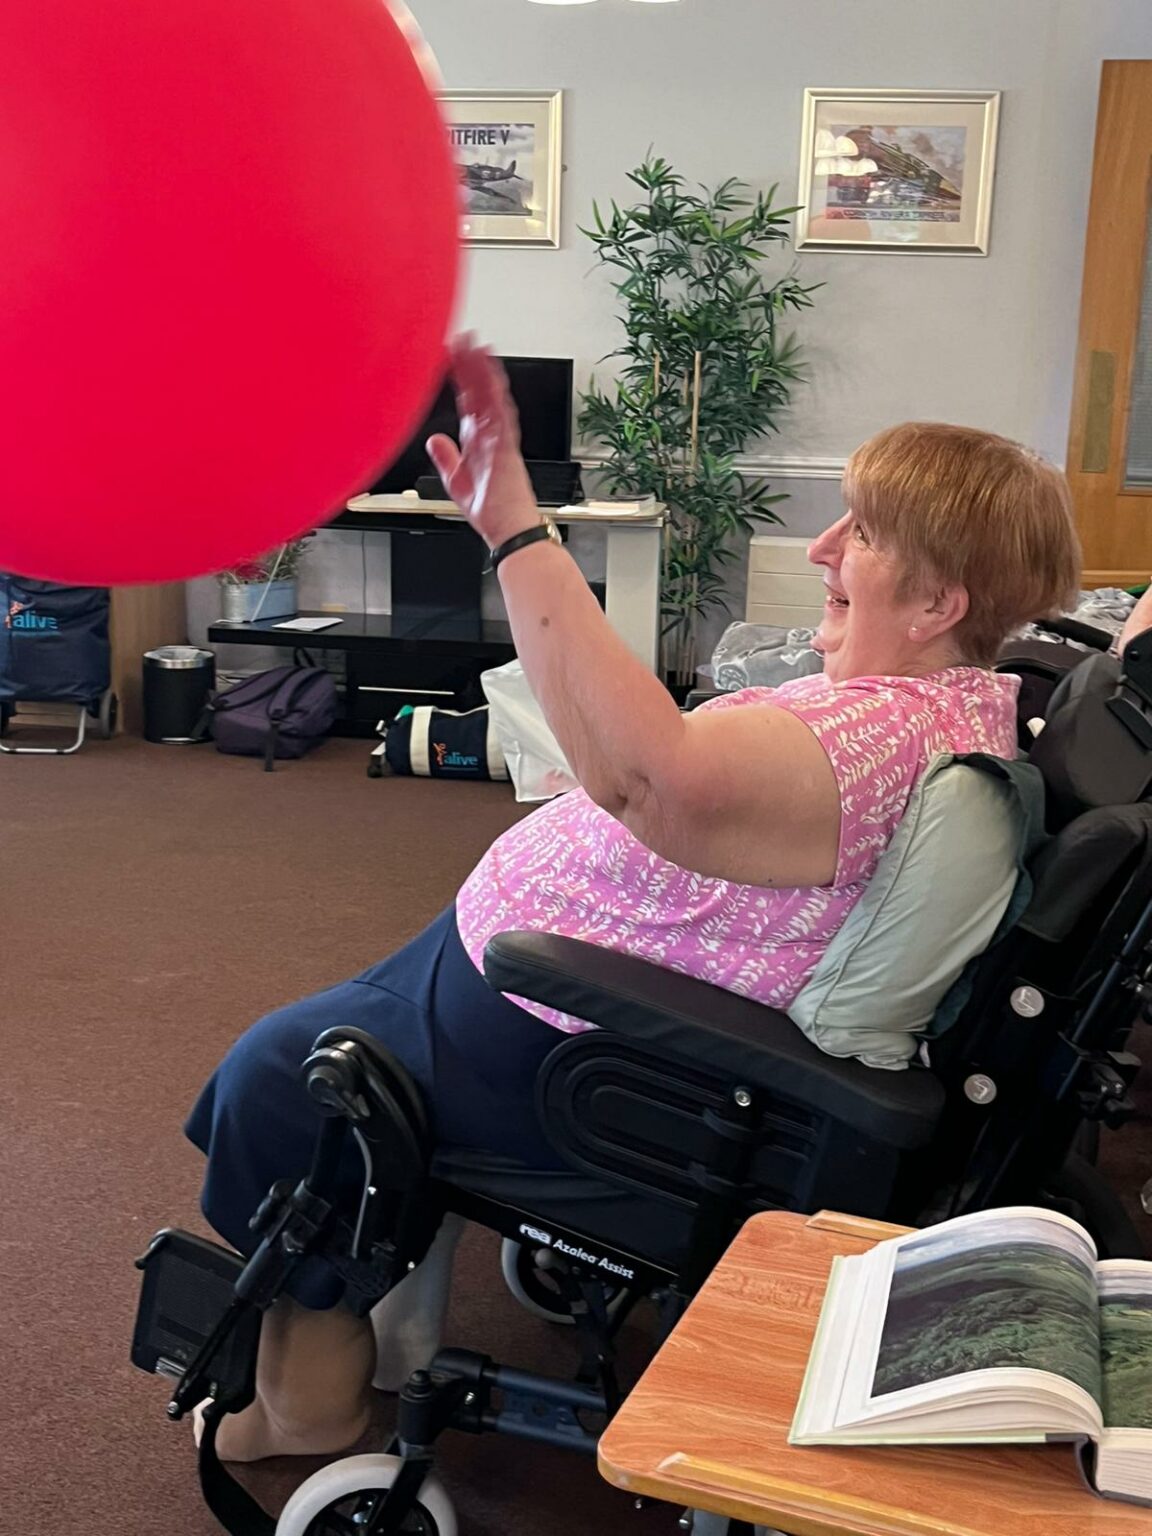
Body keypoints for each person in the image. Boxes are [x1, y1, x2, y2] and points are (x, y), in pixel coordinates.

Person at [185, 337, 1081, 1462]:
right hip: (530, 974)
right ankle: (377, 1274)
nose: (822, 547)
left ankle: (305, 1408)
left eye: (862, 535)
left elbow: (652, 782)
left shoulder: (883, 736)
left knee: (285, 1077)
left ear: (939, 601)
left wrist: (518, 535)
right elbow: (638, 772)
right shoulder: (948, 702)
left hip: (570, 1027)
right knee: (327, 1038)